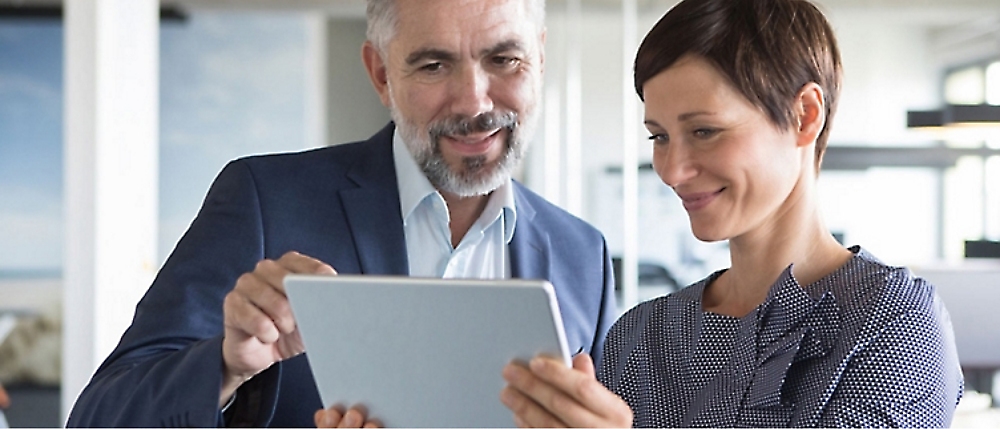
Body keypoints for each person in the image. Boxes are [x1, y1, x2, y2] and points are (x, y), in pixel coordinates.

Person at [66, 0, 617, 426]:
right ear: (381, 74)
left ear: (539, 58)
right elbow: (99, 417)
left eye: (504, 59)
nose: (474, 101)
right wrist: (227, 366)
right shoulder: (264, 200)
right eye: (433, 65)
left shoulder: (582, 254)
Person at [499, 0, 964, 427]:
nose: (672, 170)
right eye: (658, 137)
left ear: (805, 115)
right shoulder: (641, 335)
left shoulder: (892, 321)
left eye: (704, 130)